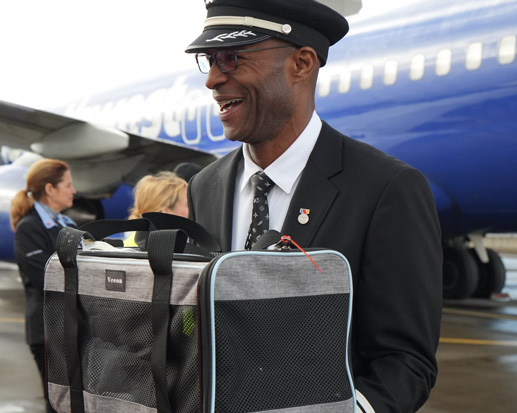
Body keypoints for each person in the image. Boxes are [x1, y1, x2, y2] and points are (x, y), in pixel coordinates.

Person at [184, 1, 443, 412]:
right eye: (210, 61)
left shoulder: (385, 189)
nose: (213, 79)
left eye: (231, 58)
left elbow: (405, 361)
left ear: (302, 63)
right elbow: (197, 324)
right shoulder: (205, 186)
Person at [11, 159, 77, 413]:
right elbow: (44, 279)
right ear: (50, 189)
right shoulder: (29, 228)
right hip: (47, 332)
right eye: (68, 185)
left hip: (71, 327)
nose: (74, 190)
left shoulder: (68, 224)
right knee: (58, 404)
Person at [123, 171, 189, 247]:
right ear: (165, 212)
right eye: (188, 205)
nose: (194, 209)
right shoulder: (160, 252)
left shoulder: (127, 248)